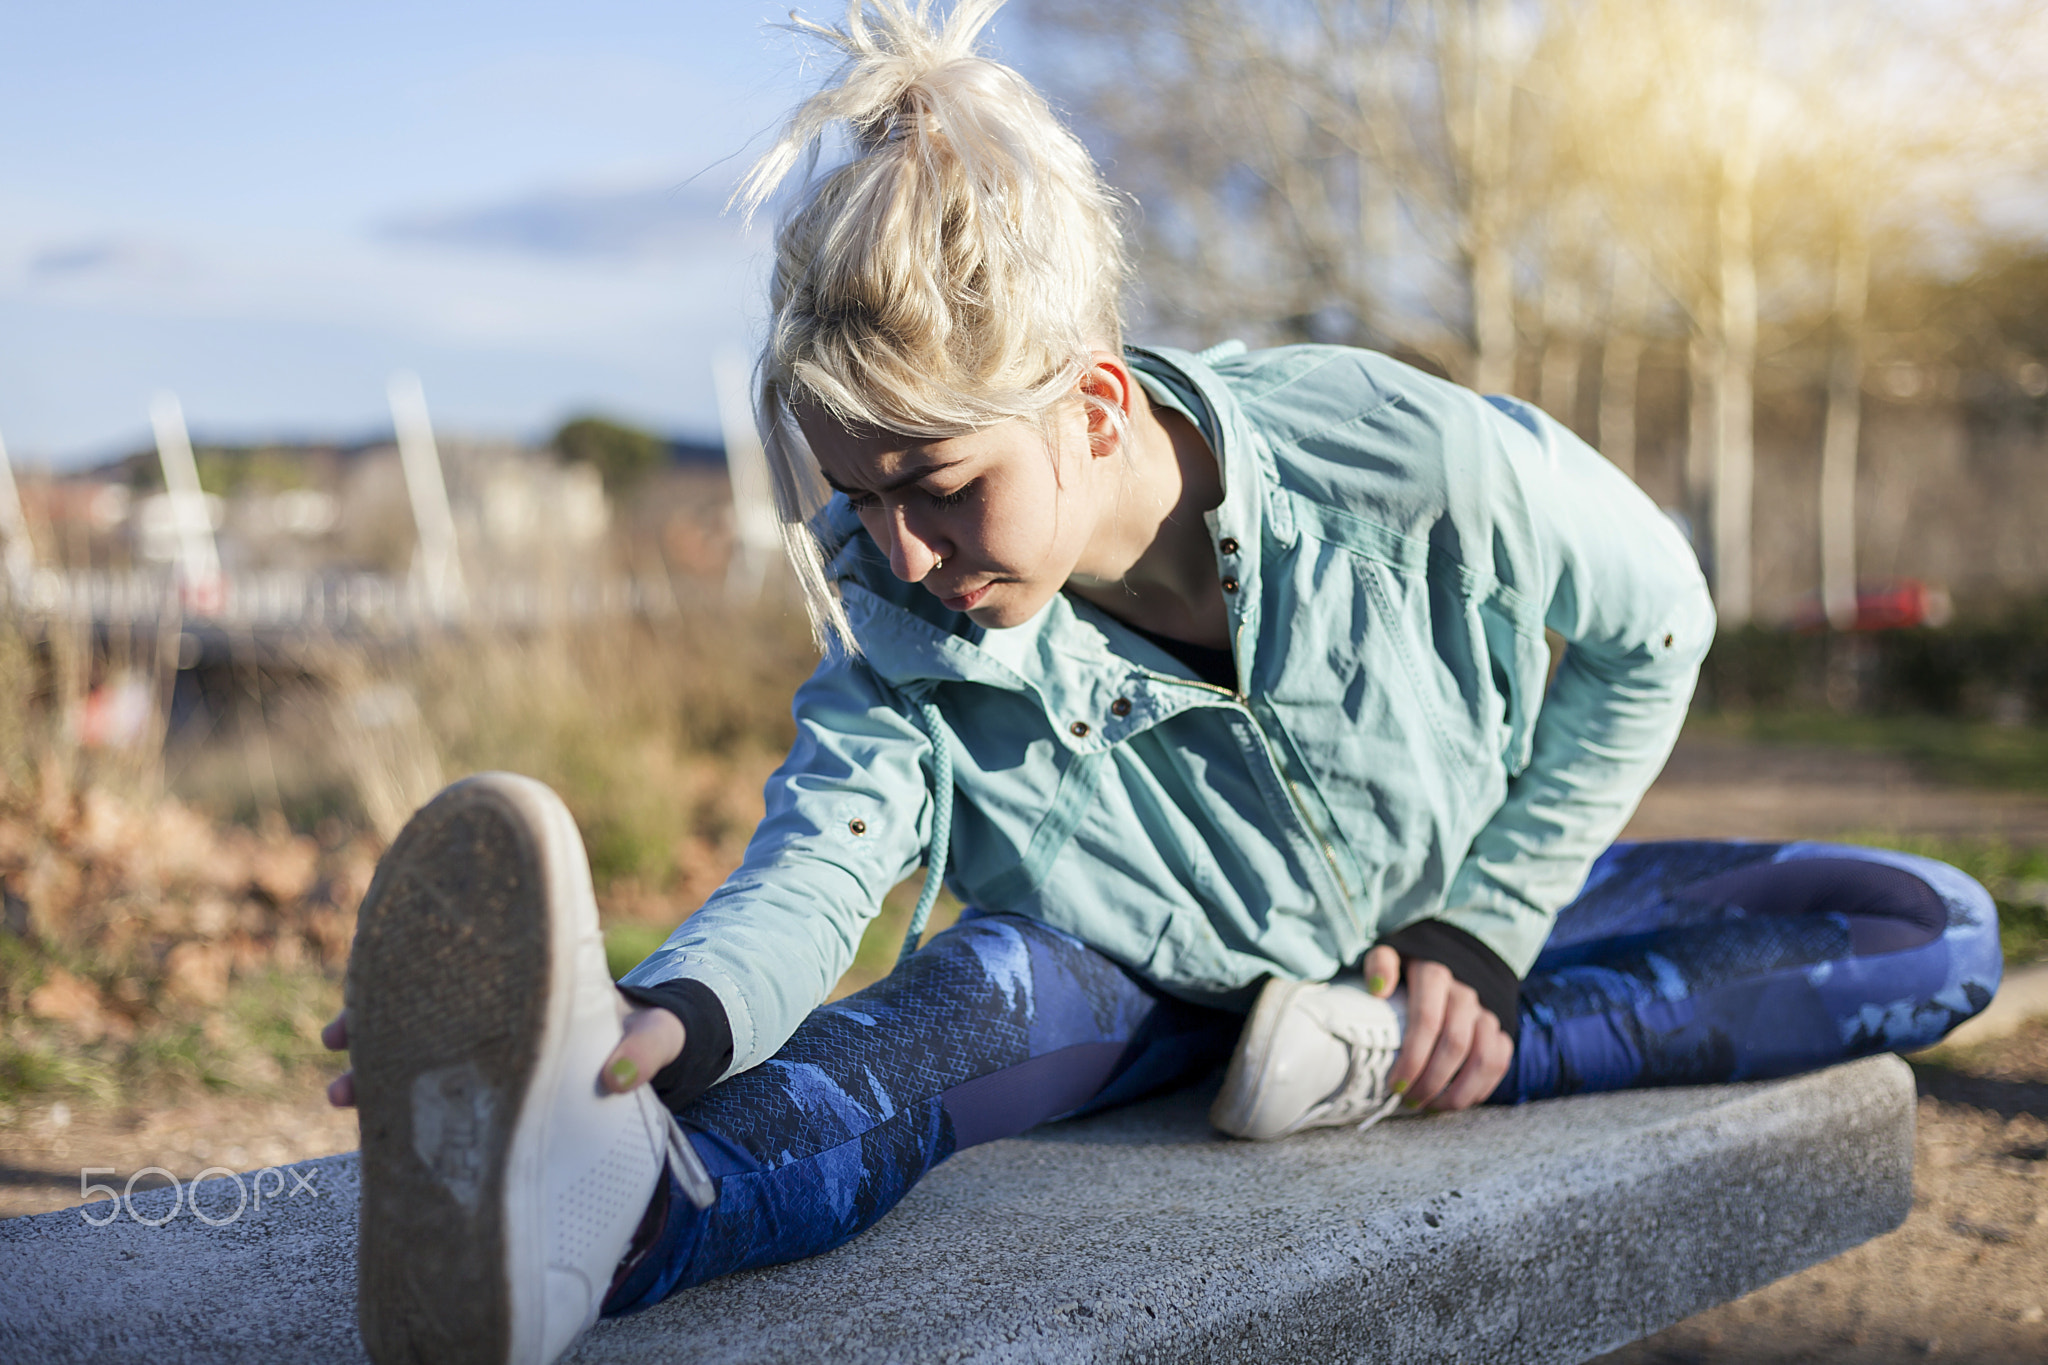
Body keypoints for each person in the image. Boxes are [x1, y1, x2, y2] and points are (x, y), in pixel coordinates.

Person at [320, 3, 2004, 1361]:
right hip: (1120, 969)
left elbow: (1660, 624)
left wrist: (1484, 928)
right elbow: (821, 859)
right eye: (857, 497)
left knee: (1927, 927)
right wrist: (662, 1022)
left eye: (937, 482)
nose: (898, 552)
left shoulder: (1407, 458)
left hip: (1446, 931)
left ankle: (1385, 1050)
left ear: (1100, 407)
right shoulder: (894, 598)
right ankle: (594, 1212)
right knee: (935, 1017)